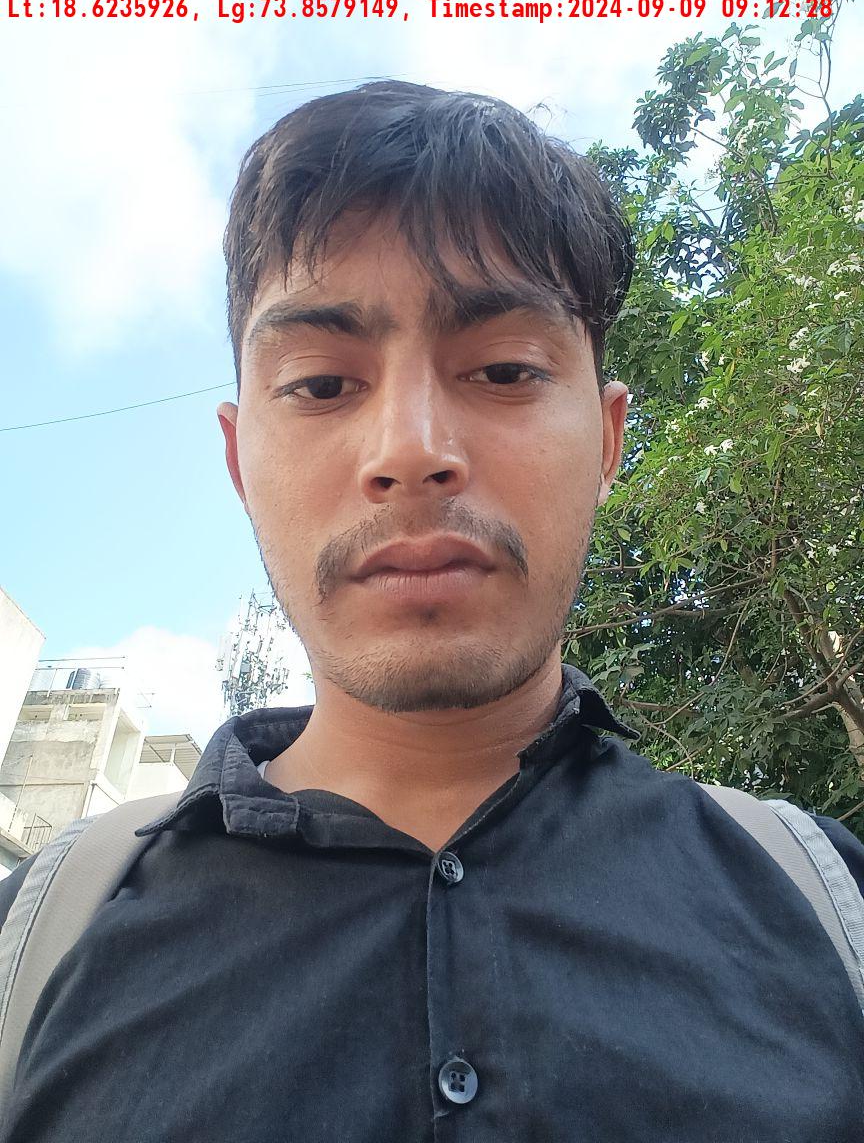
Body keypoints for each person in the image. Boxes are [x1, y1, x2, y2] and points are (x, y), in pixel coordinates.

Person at [1, 80, 862, 1141]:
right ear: (237, 461)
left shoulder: (830, 910)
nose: (410, 450)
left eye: (503, 368)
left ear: (607, 442)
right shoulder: (32, 950)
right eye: (322, 385)